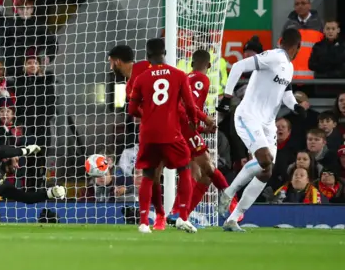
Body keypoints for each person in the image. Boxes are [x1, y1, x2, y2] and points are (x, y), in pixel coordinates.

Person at [217, 28, 305, 232]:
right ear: (297, 47)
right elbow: (239, 66)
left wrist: (296, 107)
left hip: (267, 123)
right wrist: (227, 98)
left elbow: (287, 93)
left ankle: (233, 218)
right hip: (248, 116)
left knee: (266, 172)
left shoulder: (289, 67)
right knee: (264, 160)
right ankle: (228, 193)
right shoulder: (273, 56)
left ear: (283, 40)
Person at [127, 38, 199, 234]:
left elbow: (132, 108)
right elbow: (190, 105)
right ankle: (183, 217)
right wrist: (194, 121)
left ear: (147, 55)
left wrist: (148, 115)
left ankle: (143, 222)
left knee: (148, 176)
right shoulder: (179, 75)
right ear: (165, 53)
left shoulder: (141, 78)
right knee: (184, 168)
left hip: (148, 134)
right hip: (171, 134)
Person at [108, 45, 165, 228]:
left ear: (117, 61)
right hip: (156, 130)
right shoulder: (130, 85)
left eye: (110, 63)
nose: (110, 68)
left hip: (169, 125)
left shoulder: (146, 68)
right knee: (154, 173)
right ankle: (163, 216)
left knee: (190, 167)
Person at [170, 50, 230, 221]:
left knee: (197, 173)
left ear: (191, 63)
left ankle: (180, 215)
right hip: (184, 127)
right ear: (209, 66)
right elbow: (187, 105)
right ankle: (230, 198)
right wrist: (206, 118)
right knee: (207, 166)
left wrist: (202, 129)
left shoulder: (185, 77)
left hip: (178, 127)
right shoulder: (200, 79)